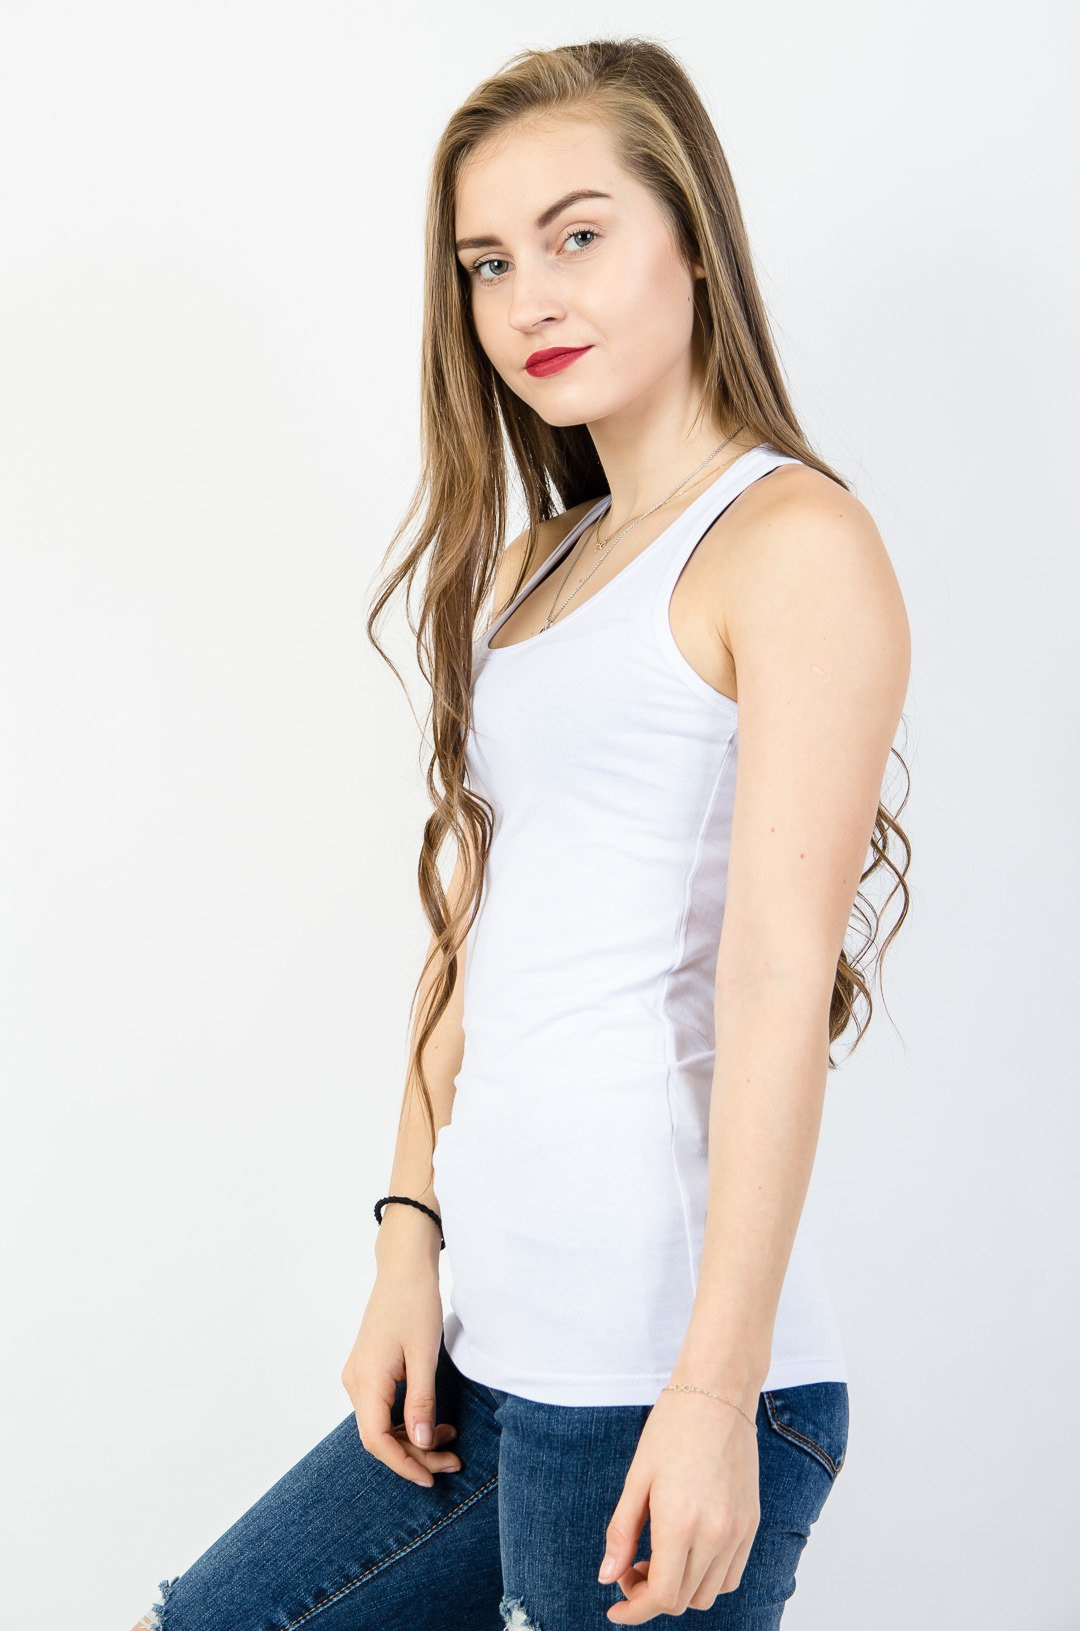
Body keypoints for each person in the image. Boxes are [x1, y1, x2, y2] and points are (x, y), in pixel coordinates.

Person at [133, 35, 911, 1631]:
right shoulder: (532, 569)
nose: (528, 301)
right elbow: (474, 935)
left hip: (658, 1376)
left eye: (578, 236)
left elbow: (775, 986)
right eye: (489, 263)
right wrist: (406, 1240)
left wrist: (714, 1393)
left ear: (694, 241)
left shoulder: (792, 540)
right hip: (495, 1353)